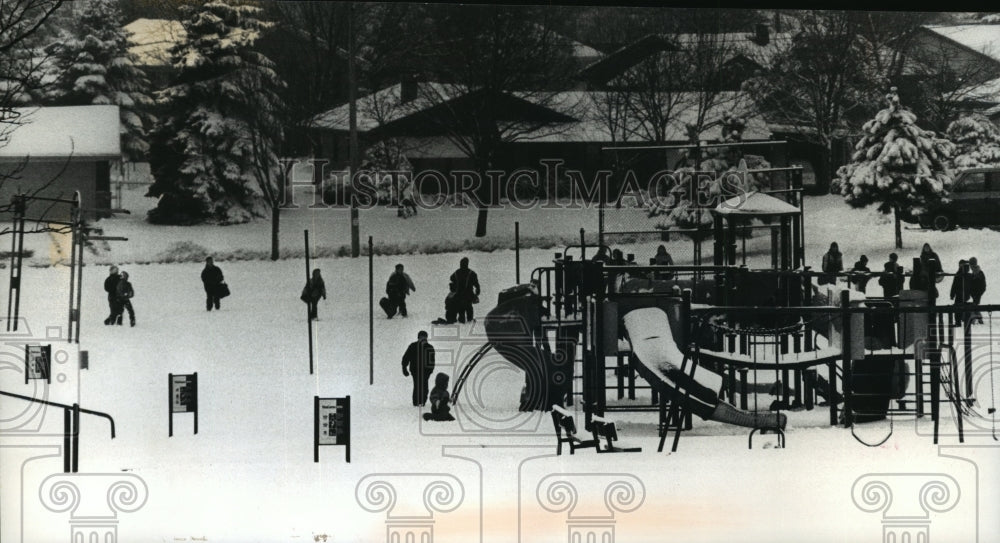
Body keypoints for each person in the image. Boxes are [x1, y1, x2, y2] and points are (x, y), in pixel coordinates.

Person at [402, 331, 435, 407]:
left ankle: (422, 402)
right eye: (421, 337)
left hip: (425, 371)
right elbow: (406, 357)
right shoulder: (413, 346)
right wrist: (404, 368)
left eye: (424, 337)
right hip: (415, 370)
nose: (423, 339)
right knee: (417, 386)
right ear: (418, 338)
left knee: (424, 387)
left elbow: (432, 360)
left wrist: (430, 370)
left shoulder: (429, 347)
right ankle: (416, 402)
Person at [450, 257, 481, 323]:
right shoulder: (471, 273)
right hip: (469, 295)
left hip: (459, 294)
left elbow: (451, 278)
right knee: (469, 308)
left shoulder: (457, 272)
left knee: (461, 309)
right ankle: (470, 320)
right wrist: (477, 292)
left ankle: (462, 321)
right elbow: (476, 284)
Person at [970, 257, 986, 324]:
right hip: (976, 292)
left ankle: (974, 320)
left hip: (977, 292)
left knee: (974, 305)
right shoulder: (976, 272)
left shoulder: (978, 273)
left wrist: (979, 292)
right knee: (975, 305)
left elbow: (982, 285)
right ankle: (979, 319)